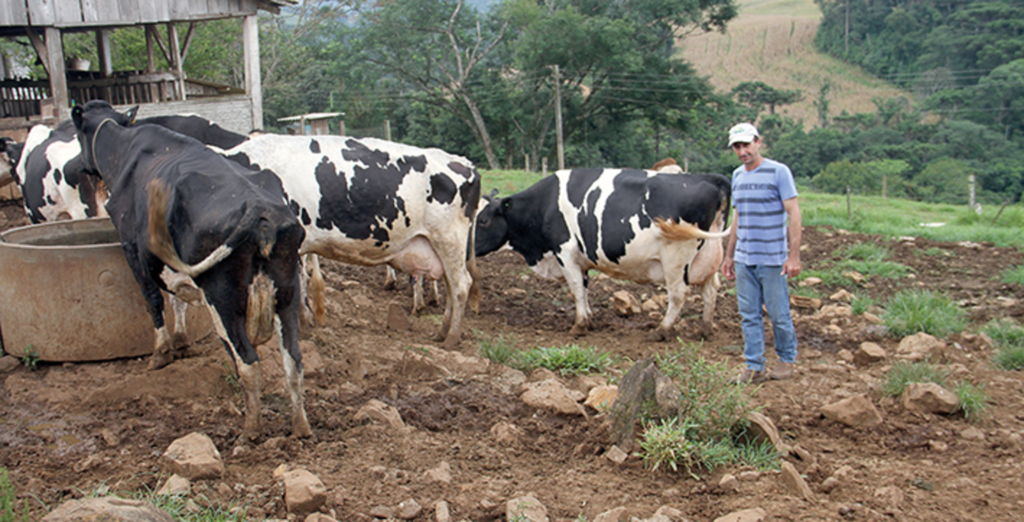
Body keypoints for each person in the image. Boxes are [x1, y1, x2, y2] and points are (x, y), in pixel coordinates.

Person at [720, 123, 802, 384]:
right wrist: (729, 255)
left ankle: (786, 360)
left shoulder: (778, 172)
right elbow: (738, 217)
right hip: (745, 258)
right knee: (749, 315)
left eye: (746, 145)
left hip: (772, 259)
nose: (742, 151)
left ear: (758, 142)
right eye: (737, 146)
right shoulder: (737, 176)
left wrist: (794, 256)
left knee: (779, 315)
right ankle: (754, 365)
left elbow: (794, 213)